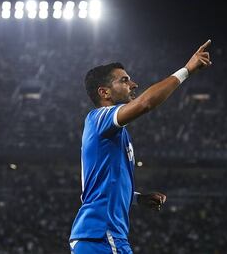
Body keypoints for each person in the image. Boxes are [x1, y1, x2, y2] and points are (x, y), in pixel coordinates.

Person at [69, 40, 212, 253]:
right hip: (102, 236)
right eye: (124, 80)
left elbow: (99, 186)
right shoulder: (99, 118)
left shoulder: (112, 132)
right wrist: (186, 70)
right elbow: (146, 103)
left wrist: (136, 199)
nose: (133, 84)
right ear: (104, 92)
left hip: (99, 236)